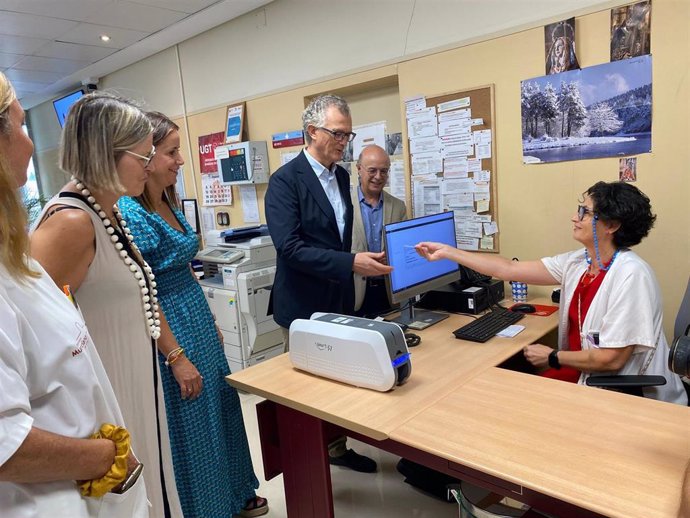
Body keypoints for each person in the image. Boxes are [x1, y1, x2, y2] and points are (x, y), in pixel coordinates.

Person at [0, 73, 147, 517]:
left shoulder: (12, 254)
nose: (30, 144)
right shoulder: (69, 222)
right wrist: (105, 457)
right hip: (55, 496)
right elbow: (6, 443)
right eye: (23, 125)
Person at [31, 93, 184, 517]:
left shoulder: (109, 213)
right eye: (144, 155)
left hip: (133, 380)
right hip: (105, 394)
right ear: (107, 154)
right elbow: (35, 337)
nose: (152, 166)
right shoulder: (70, 222)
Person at [416, 181, 687, 405]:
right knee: (506, 383)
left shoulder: (631, 275)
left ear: (611, 225)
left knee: (511, 396)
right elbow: (509, 269)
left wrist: (552, 357)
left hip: (622, 390)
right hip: (587, 372)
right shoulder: (579, 262)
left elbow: (611, 358)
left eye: (585, 212)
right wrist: (449, 253)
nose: (574, 216)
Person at [118, 112, 267, 518]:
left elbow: (185, 264)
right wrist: (176, 355)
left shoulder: (167, 199)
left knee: (222, 406)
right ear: (146, 157)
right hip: (169, 326)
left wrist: (212, 321)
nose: (180, 160)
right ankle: (209, 508)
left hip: (196, 316)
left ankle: (237, 491)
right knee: (195, 425)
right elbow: (142, 289)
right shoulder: (130, 214)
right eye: (171, 152)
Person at [265, 94, 392, 473]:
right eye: (338, 133)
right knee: (306, 390)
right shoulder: (285, 182)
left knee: (338, 383)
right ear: (311, 132)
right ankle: (306, 462)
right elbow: (290, 249)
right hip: (302, 305)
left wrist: (349, 265)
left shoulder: (339, 176)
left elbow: (336, 237)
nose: (343, 141)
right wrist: (351, 263)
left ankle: (336, 448)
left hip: (337, 300)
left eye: (347, 134)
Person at [351, 145, 407, 317]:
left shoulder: (398, 207)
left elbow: (403, 249)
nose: (378, 176)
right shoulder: (342, 205)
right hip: (353, 292)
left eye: (384, 171)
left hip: (388, 292)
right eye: (372, 170)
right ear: (359, 169)